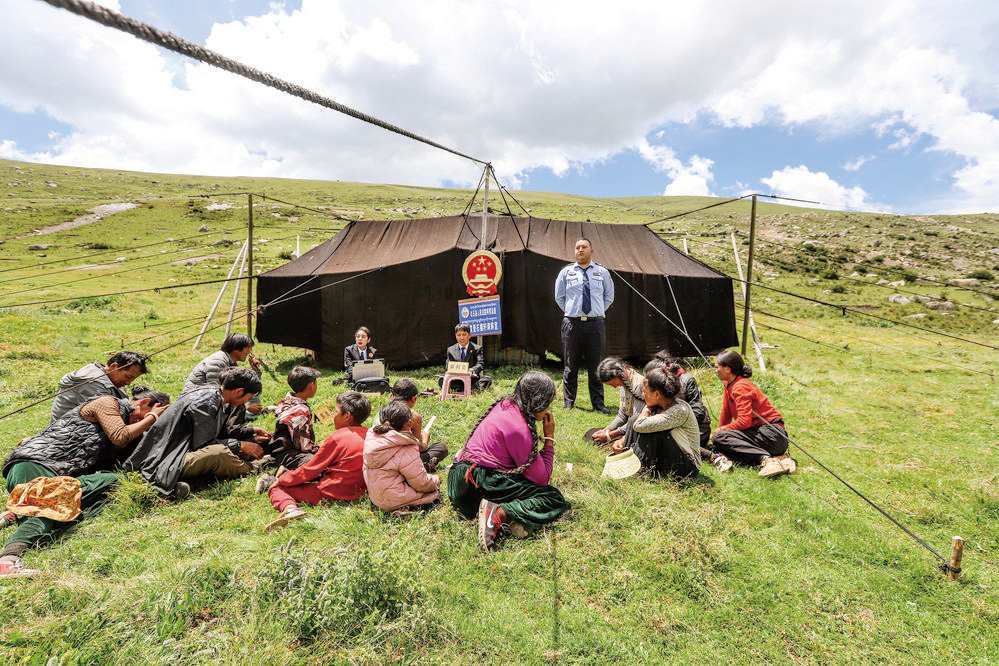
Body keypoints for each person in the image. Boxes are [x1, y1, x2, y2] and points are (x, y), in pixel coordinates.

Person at [0, 387, 170, 578]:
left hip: (60, 476)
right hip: (36, 464)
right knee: (48, 508)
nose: (142, 425)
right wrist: (152, 418)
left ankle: (15, 513)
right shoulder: (107, 403)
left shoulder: (130, 428)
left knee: (111, 485)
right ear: (142, 402)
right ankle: (7, 561)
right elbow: (120, 436)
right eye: (144, 417)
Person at [448, 371, 571, 552]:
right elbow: (542, 478)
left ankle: (494, 510)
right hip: (477, 485)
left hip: (458, 485)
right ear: (538, 402)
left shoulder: (505, 405)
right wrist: (549, 438)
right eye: (548, 403)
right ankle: (499, 514)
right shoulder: (519, 429)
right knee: (553, 498)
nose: (549, 408)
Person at [123, 367, 271, 496]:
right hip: (166, 459)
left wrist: (249, 433)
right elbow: (203, 445)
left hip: (179, 451)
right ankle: (254, 468)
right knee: (219, 454)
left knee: (236, 446)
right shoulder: (206, 403)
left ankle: (187, 483)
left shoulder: (214, 394)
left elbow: (217, 432)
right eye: (248, 397)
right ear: (239, 391)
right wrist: (240, 445)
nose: (246, 402)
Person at [259, 391, 372, 532]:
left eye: (335, 411)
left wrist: (283, 480)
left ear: (347, 416)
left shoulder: (337, 437)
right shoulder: (370, 434)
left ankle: (290, 509)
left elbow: (311, 470)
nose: (332, 416)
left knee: (277, 488)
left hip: (335, 491)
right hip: (364, 490)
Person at [710, 350, 795, 478]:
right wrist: (720, 430)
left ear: (727, 369)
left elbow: (744, 421)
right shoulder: (729, 384)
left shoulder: (741, 387)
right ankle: (780, 459)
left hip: (772, 435)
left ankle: (767, 460)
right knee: (719, 444)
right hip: (764, 434)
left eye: (717, 367)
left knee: (720, 439)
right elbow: (726, 411)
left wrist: (722, 431)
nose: (715, 370)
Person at [554, 238, 615, 413]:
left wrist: (596, 312)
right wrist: (572, 311)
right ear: (575, 252)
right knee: (570, 365)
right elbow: (559, 297)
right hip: (572, 324)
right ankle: (569, 402)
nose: (580, 250)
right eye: (577, 248)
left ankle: (598, 403)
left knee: (595, 365)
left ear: (591, 251)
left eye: (584, 247)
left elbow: (609, 296)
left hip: (595, 325)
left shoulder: (602, 272)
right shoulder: (566, 272)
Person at [648, 352, 731, 473]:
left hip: (697, 426)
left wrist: (680, 422)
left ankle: (713, 456)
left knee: (672, 437)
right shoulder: (659, 385)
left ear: (666, 370)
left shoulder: (687, 380)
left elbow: (698, 411)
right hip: (672, 423)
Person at [612, 368, 701, 479]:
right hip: (673, 457)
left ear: (657, 395)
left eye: (645, 391)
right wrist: (622, 441)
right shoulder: (660, 405)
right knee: (635, 419)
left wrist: (647, 408)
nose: (643, 395)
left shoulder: (680, 410)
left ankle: (639, 469)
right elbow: (636, 423)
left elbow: (640, 425)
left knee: (651, 429)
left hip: (688, 466)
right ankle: (630, 463)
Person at [363, 401, 441, 515]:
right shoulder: (406, 446)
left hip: (375, 497)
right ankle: (405, 509)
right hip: (394, 499)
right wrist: (436, 480)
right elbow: (421, 483)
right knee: (436, 495)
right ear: (409, 424)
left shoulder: (372, 436)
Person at [182, 333, 263, 422]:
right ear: (237, 348)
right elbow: (217, 395)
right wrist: (245, 408)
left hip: (207, 402)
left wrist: (255, 371)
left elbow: (249, 386)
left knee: (250, 396)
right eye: (248, 348)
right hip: (196, 405)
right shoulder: (218, 362)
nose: (249, 352)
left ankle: (248, 414)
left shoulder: (229, 361)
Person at [50, 350, 149, 422]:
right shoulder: (92, 382)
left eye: (132, 379)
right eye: (128, 377)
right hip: (67, 433)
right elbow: (109, 416)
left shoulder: (111, 379)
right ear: (114, 367)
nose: (128, 383)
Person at [268, 366, 321, 471]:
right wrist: (320, 450)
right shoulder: (301, 411)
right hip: (288, 454)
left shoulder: (289, 399)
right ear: (311, 385)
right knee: (318, 462)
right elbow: (304, 446)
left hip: (278, 448)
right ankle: (282, 474)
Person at [390, 378, 448, 471]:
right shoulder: (413, 416)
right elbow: (420, 449)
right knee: (441, 448)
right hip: (404, 462)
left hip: (383, 460)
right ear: (414, 398)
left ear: (391, 396)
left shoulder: (381, 413)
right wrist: (425, 439)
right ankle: (422, 467)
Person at [591, 357, 645, 448]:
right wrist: (606, 430)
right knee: (591, 434)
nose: (614, 387)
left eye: (611, 383)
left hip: (638, 429)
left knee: (610, 444)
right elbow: (621, 416)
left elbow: (636, 422)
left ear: (617, 375)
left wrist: (610, 435)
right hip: (627, 428)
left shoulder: (639, 384)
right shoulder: (623, 383)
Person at [442, 323, 492, 391]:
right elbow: (448, 366)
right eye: (459, 335)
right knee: (441, 380)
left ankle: (464, 389)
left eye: (464, 335)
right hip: (456, 379)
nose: (461, 338)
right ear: (455, 336)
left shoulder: (477, 348)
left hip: (472, 379)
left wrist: (471, 370)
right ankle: (468, 389)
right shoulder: (450, 350)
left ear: (469, 335)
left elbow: (480, 364)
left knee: (487, 380)